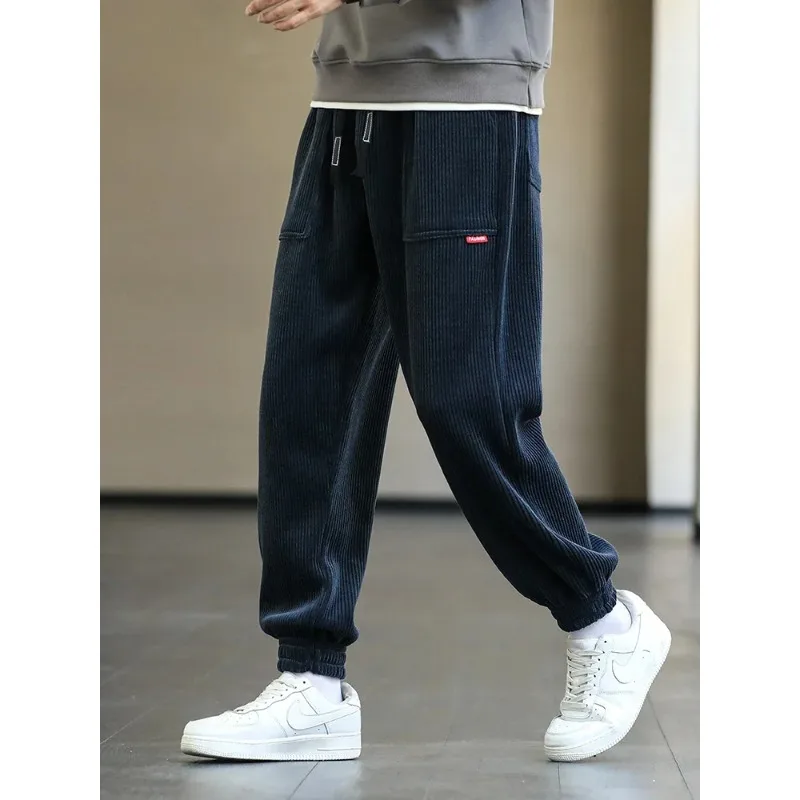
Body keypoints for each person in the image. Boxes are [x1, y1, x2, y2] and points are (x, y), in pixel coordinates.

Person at [181, 0, 671, 764]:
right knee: (310, 393)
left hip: (467, 103)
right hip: (346, 99)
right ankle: (311, 679)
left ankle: (602, 620)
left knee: (468, 397)